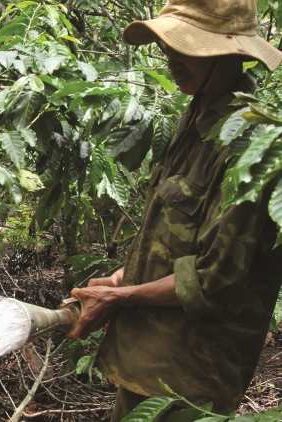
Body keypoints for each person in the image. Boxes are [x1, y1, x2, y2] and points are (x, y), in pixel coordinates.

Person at [66, 0, 282, 420]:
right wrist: (125, 278)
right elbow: (178, 238)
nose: (173, 59)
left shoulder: (248, 142)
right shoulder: (196, 114)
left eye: (190, 49)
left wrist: (119, 297)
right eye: (170, 45)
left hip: (192, 374)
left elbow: (213, 278)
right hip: (151, 357)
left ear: (232, 54)